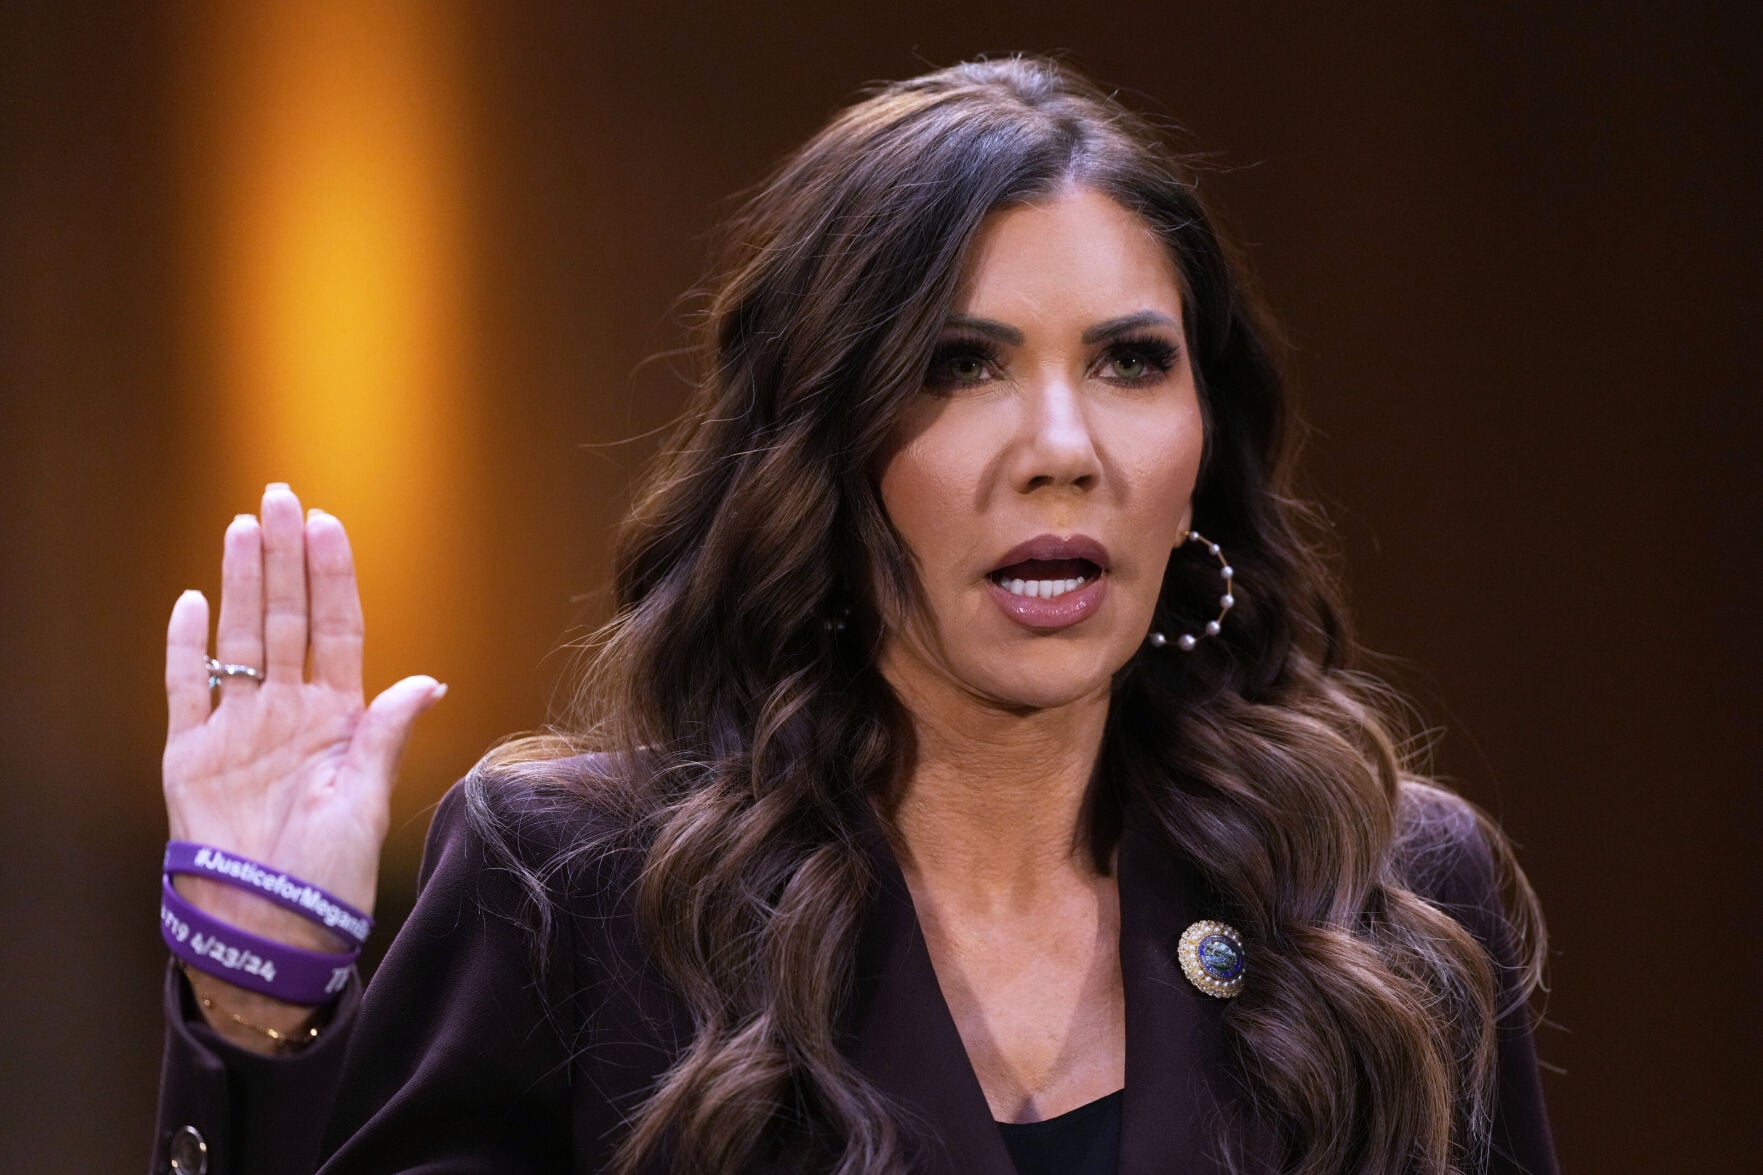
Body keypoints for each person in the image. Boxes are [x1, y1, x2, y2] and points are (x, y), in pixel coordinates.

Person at [150, 56, 1554, 1175]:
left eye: (1131, 361)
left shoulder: (1386, 896)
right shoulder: (578, 895)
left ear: (1204, 443)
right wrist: (256, 1010)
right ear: (826, 443)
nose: (1063, 445)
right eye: (962, 364)